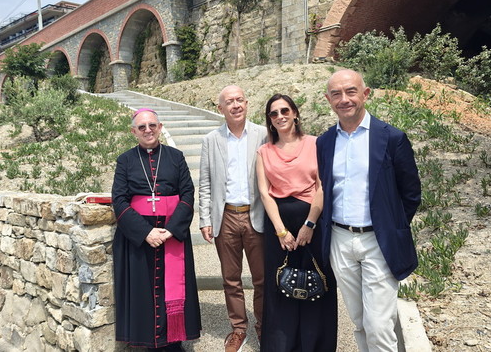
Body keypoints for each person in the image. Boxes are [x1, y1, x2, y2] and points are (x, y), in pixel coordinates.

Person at [316, 69, 421, 352]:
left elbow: (411, 193)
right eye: (336, 94)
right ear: (328, 99)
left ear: (366, 94)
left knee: (379, 325)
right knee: (360, 321)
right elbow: (326, 189)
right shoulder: (324, 142)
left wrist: (391, 227)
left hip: (378, 242)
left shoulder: (392, 138)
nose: (344, 99)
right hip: (340, 240)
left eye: (351, 91)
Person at [112, 108, 201, 351]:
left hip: (171, 234)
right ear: (134, 132)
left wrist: (171, 230)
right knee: (142, 288)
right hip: (139, 237)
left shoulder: (176, 156)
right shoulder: (125, 160)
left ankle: (173, 341)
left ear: (160, 127)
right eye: (142, 127)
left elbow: (187, 194)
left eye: (152, 125)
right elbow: (119, 200)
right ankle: (145, 342)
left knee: (173, 288)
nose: (148, 130)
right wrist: (145, 233)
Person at [256, 94, 338, 351]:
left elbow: (323, 186)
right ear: (269, 120)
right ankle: (282, 344)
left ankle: (315, 344)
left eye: (284, 111)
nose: (279, 116)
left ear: (295, 113)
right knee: (281, 285)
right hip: (279, 225)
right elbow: (264, 192)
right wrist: (281, 231)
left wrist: (310, 224)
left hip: (313, 222)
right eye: (273, 113)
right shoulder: (264, 151)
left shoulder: (316, 144)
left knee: (318, 281)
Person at [199, 85, 267, 352]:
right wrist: (205, 218)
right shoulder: (211, 140)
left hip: (256, 216)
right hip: (225, 216)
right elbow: (205, 182)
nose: (236, 105)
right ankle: (238, 328)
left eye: (240, 99)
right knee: (231, 278)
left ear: (247, 103)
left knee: (261, 278)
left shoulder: (263, 134)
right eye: (230, 101)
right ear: (221, 108)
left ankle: (264, 325)